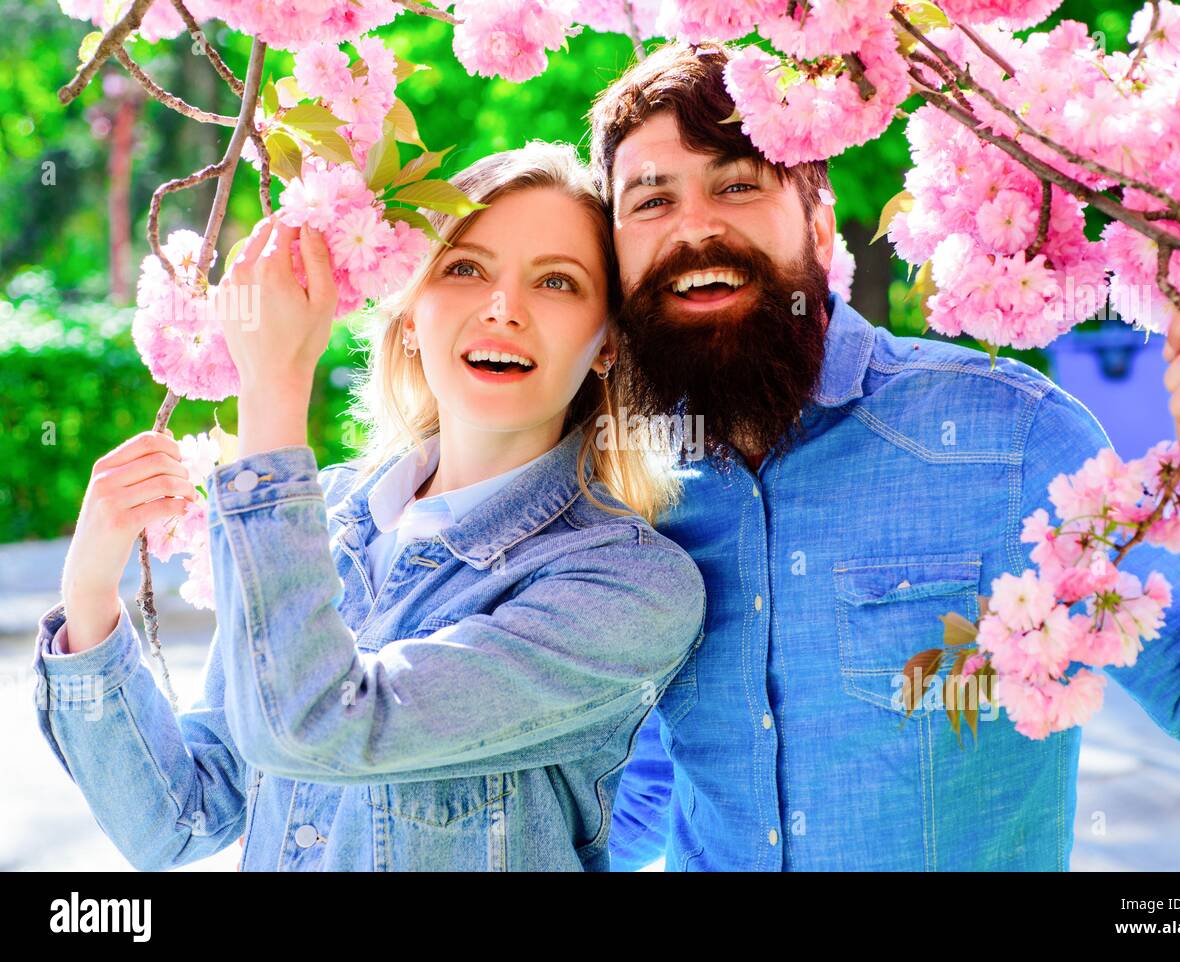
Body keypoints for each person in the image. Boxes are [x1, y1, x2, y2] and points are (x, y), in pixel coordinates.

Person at [589, 42, 1180, 871]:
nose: (695, 226)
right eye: (650, 202)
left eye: (737, 183)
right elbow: (642, 788)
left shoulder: (1018, 438)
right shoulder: (627, 483)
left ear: (820, 229)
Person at [32, 142, 706, 872]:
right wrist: (91, 595)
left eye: (556, 282)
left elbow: (319, 727)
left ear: (607, 342)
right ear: (411, 312)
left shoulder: (629, 588)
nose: (504, 308)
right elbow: (181, 821)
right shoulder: (320, 516)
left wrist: (275, 390)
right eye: (466, 269)